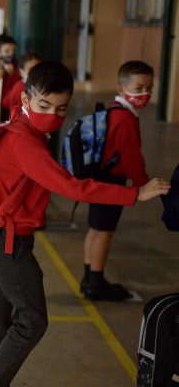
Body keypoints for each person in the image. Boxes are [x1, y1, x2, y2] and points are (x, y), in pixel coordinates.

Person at [0, 61, 169, 386]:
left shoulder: (20, 126)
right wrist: (135, 193)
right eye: (44, 105)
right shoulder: (26, 141)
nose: (53, 114)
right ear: (25, 100)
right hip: (9, 241)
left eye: (61, 107)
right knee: (32, 321)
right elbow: (71, 186)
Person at [81, 61, 154, 301]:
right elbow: (132, 158)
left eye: (149, 88)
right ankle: (96, 283)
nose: (144, 94)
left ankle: (89, 277)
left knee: (95, 230)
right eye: (139, 87)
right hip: (112, 182)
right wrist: (143, 184)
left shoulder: (112, 110)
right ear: (122, 89)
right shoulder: (125, 120)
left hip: (98, 177)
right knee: (104, 232)